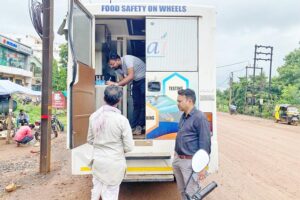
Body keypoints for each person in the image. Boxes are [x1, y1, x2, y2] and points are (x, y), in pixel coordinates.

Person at [87, 85, 134, 200]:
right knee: (111, 195)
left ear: (104, 98)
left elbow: (90, 139)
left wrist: (101, 144)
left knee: (96, 192)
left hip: (98, 162)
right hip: (114, 164)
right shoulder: (122, 120)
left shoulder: (94, 117)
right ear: (119, 100)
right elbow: (129, 146)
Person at [172, 88, 211, 199]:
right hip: (179, 160)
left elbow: (205, 143)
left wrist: (202, 166)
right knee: (183, 193)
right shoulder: (183, 116)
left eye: (180, 101)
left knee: (192, 193)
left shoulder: (200, 117)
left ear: (189, 101)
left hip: (191, 163)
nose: (177, 104)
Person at [106, 52, 146, 135]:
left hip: (144, 80)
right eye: (110, 65)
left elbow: (130, 76)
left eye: (112, 64)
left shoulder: (127, 59)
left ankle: (140, 126)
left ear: (117, 59)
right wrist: (113, 83)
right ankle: (133, 127)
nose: (111, 66)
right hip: (136, 81)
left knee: (142, 105)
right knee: (136, 105)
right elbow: (123, 82)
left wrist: (116, 84)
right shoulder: (117, 69)